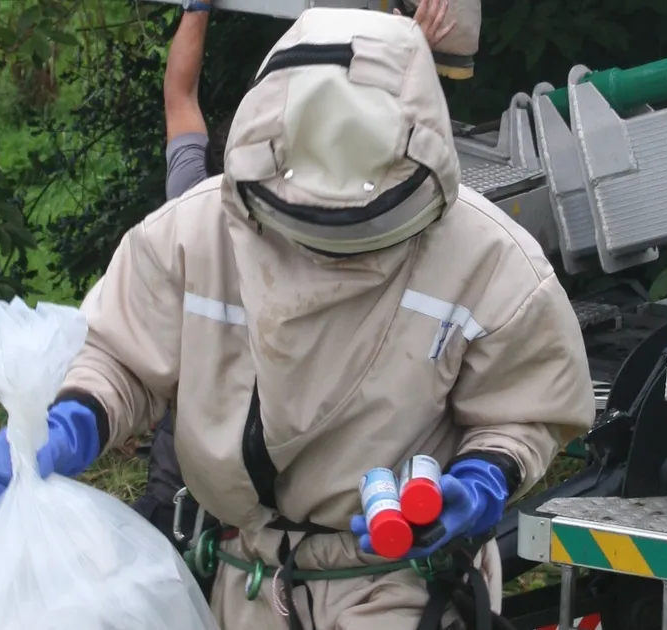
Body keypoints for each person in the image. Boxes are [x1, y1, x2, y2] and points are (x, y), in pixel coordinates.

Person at [0, 8, 595, 630]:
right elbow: (120, 353)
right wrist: (75, 415)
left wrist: (482, 476)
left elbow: (526, 408)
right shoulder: (193, 235)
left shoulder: (488, 259)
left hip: (399, 583)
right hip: (245, 577)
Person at [134, 0, 464, 550]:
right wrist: (408, 58)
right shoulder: (327, 227)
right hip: (286, 449)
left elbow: (179, 96)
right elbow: (389, 152)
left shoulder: (193, 194)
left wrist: (196, 8)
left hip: (197, 448)